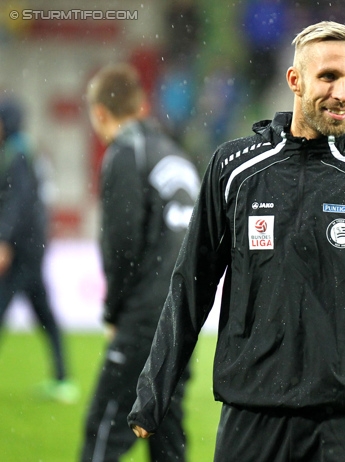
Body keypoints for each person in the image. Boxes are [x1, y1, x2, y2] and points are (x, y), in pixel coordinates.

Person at [128, 21, 345, 462]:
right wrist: (153, 393)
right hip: (251, 416)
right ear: (295, 80)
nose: (342, 93)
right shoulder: (234, 169)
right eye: (328, 76)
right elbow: (190, 286)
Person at [80, 63, 201, 462]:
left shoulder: (125, 152)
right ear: (143, 105)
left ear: (100, 113)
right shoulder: (174, 153)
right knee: (166, 432)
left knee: (104, 428)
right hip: (182, 314)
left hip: (145, 316)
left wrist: (115, 313)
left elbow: (121, 245)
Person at [0, 97, 78, 404]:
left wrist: (4, 241)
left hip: (23, 249)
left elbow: (16, 203)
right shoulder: (23, 150)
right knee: (44, 313)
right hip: (32, 246)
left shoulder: (17, 154)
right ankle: (63, 378)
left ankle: (63, 379)